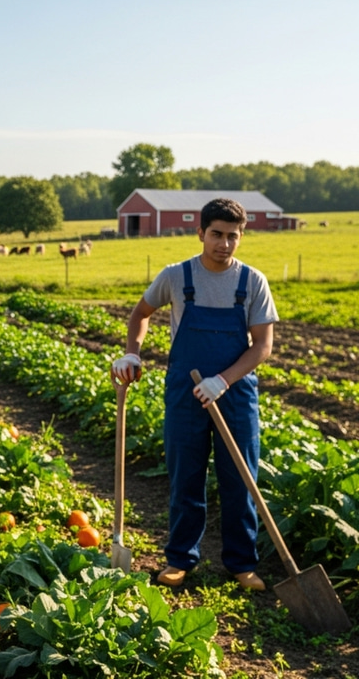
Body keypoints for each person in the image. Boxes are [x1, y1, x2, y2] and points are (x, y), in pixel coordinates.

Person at [112, 198, 278, 591]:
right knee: (186, 475)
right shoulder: (176, 276)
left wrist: (223, 380)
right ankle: (180, 558)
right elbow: (140, 314)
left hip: (235, 394)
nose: (224, 243)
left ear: (241, 236)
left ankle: (241, 564)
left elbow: (262, 346)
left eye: (232, 236)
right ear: (201, 232)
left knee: (239, 478)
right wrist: (133, 351)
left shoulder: (252, 281)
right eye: (217, 234)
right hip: (185, 394)